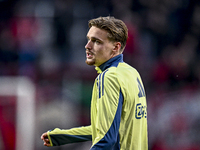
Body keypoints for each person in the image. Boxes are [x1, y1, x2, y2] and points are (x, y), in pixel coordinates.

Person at [41, 16, 148, 150]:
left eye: (96, 41)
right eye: (89, 40)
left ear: (115, 47)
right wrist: (62, 136)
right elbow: (109, 128)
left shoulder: (109, 77)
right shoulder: (131, 73)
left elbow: (106, 139)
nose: (87, 46)